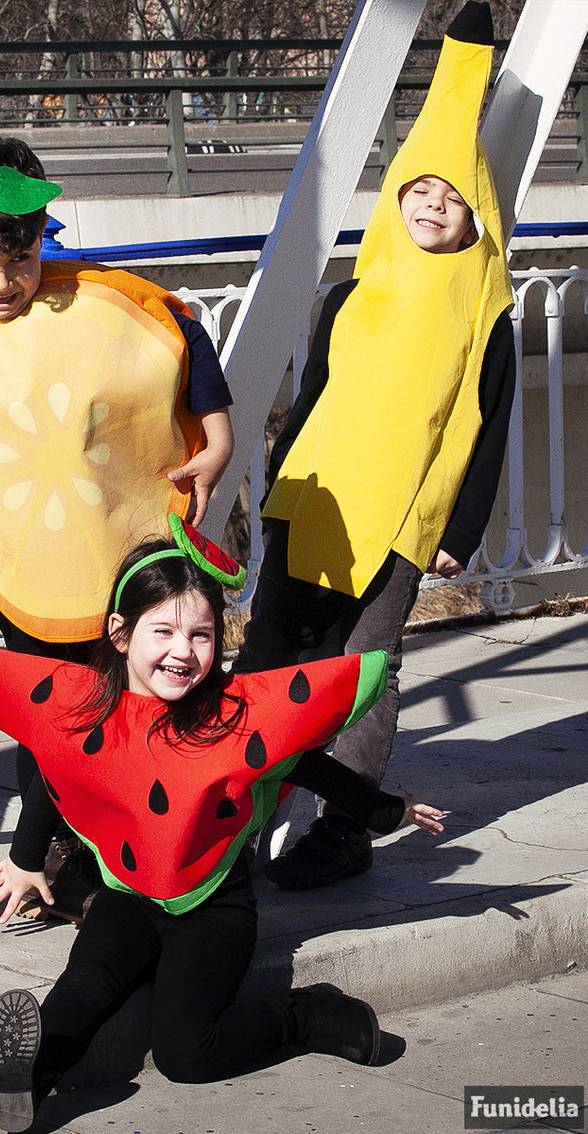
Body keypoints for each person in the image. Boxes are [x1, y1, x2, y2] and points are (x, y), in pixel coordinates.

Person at [0, 522, 444, 1130]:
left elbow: (314, 768)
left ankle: (310, 1013)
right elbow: (57, 782)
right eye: (162, 631)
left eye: (201, 635)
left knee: (187, 1055)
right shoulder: (92, 712)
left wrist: (388, 811)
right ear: (120, 633)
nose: (182, 651)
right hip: (126, 896)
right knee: (83, 985)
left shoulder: (234, 719)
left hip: (215, 908)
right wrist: (26, 861)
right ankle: (29, 1080)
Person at [234, 1, 516, 891]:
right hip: (316, 500)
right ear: (397, 200)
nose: (433, 207)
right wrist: (277, 483)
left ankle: (344, 825)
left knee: (364, 670)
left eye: (452, 197)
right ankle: (235, 810)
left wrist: (459, 530)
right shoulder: (351, 294)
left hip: (399, 517)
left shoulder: (487, 311)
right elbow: (315, 396)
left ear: (479, 216)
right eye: (418, 191)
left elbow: (489, 421)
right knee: (271, 654)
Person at [0, 128, 235, 916]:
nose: (1, 284)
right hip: (25, 566)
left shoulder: (95, 296)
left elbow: (176, 327)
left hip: (116, 558)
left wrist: (219, 432)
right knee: (47, 727)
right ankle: (63, 863)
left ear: (40, 242)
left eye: (18, 262)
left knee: (115, 720)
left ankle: (97, 866)